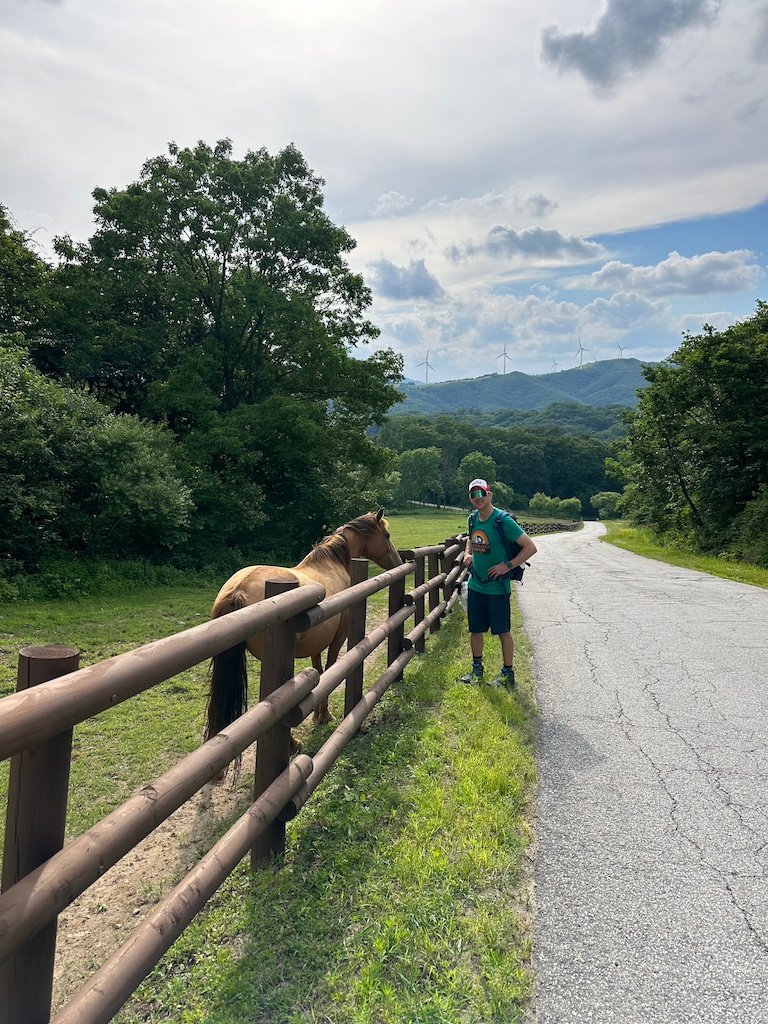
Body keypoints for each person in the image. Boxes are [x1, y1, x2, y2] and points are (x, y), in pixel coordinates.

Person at [459, 478, 537, 688]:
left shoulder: (503, 521)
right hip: (476, 584)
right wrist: (468, 554)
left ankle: (507, 675)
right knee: (475, 629)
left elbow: (530, 547)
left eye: (482, 493)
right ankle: (477, 671)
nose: (478, 498)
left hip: (497, 588)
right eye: (473, 494)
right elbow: (470, 539)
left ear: (490, 495)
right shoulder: (473, 519)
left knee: (503, 631)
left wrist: (507, 566)